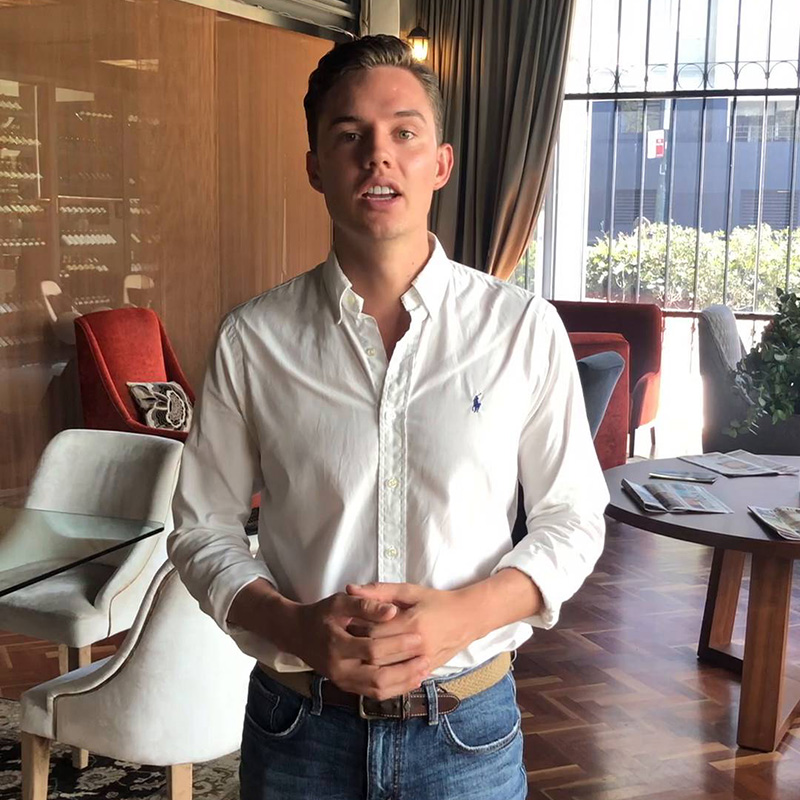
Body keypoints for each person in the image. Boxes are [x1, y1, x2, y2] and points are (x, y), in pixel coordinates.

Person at [169, 34, 608, 800]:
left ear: (440, 163)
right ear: (315, 166)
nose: (378, 155)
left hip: (466, 731)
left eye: (404, 132)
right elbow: (201, 529)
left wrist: (462, 616)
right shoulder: (254, 339)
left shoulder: (520, 328)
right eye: (350, 135)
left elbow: (572, 519)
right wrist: (293, 625)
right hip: (299, 731)